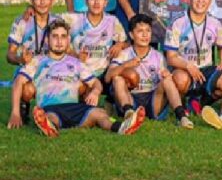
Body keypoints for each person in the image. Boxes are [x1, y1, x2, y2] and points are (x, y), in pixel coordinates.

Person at [7, 20, 144, 137]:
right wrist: (15, 113)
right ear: (48, 40)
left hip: (76, 108)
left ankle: (122, 127)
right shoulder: (37, 61)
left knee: (99, 113)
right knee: (49, 117)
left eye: (63, 37)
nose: (59, 41)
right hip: (51, 107)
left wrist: (95, 92)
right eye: (55, 37)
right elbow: (19, 81)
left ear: (68, 40)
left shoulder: (76, 62)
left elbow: (95, 82)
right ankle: (49, 127)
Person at [106, 14, 194, 129]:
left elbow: (165, 77)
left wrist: (166, 74)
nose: (144, 35)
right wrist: (126, 65)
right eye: (140, 31)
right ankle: (129, 114)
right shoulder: (124, 54)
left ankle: (182, 116)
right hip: (132, 97)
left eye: (148, 31)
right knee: (117, 79)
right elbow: (108, 77)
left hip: (153, 98)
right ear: (132, 35)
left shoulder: (158, 56)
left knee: (167, 81)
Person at [164, 0, 222, 114]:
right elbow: (171, 58)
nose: (200, 1)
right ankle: (183, 102)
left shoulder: (215, 24)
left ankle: (201, 103)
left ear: (210, 1)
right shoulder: (177, 23)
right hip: (183, 68)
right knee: (180, 81)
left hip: (206, 69)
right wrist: (188, 66)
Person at [6, 0, 58, 123]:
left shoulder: (58, 22)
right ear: (32, 0)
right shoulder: (22, 22)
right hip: (28, 72)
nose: (42, 1)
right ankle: (23, 105)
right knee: (27, 89)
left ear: (52, 1)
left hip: (50, 72)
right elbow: (9, 54)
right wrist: (20, 60)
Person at [60, 0, 128, 81]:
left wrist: (120, 45)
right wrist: (74, 54)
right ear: (86, 2)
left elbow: (127, 44)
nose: (96, 2)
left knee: (128, 76)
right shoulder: (73, 19)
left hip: (103, 72)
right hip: (80, 71)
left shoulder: (112, 21)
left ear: (106, 2)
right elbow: (46, 19)